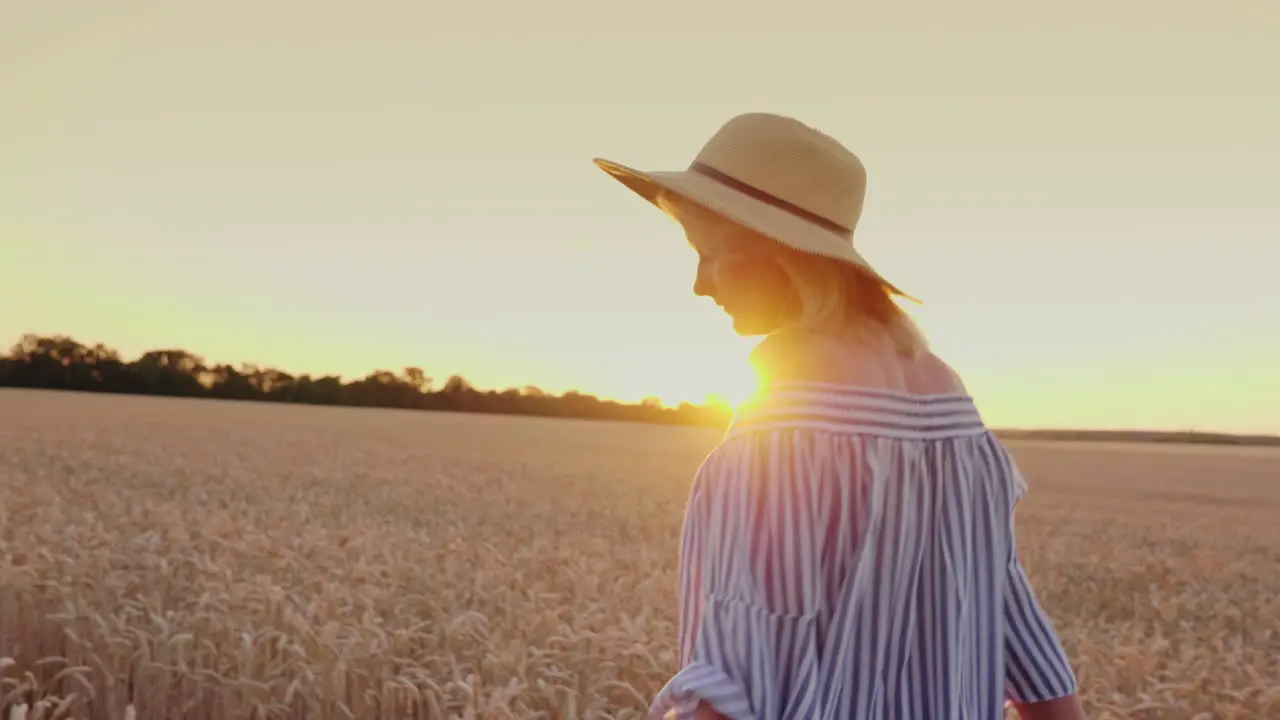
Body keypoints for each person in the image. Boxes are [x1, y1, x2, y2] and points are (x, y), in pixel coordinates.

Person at [592, 113, 1087, 720]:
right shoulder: (952, 407)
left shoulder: (780, 425)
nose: (700, 284)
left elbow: (738, 678)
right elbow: (1015, 622)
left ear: (782, 256)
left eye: (709, 254)